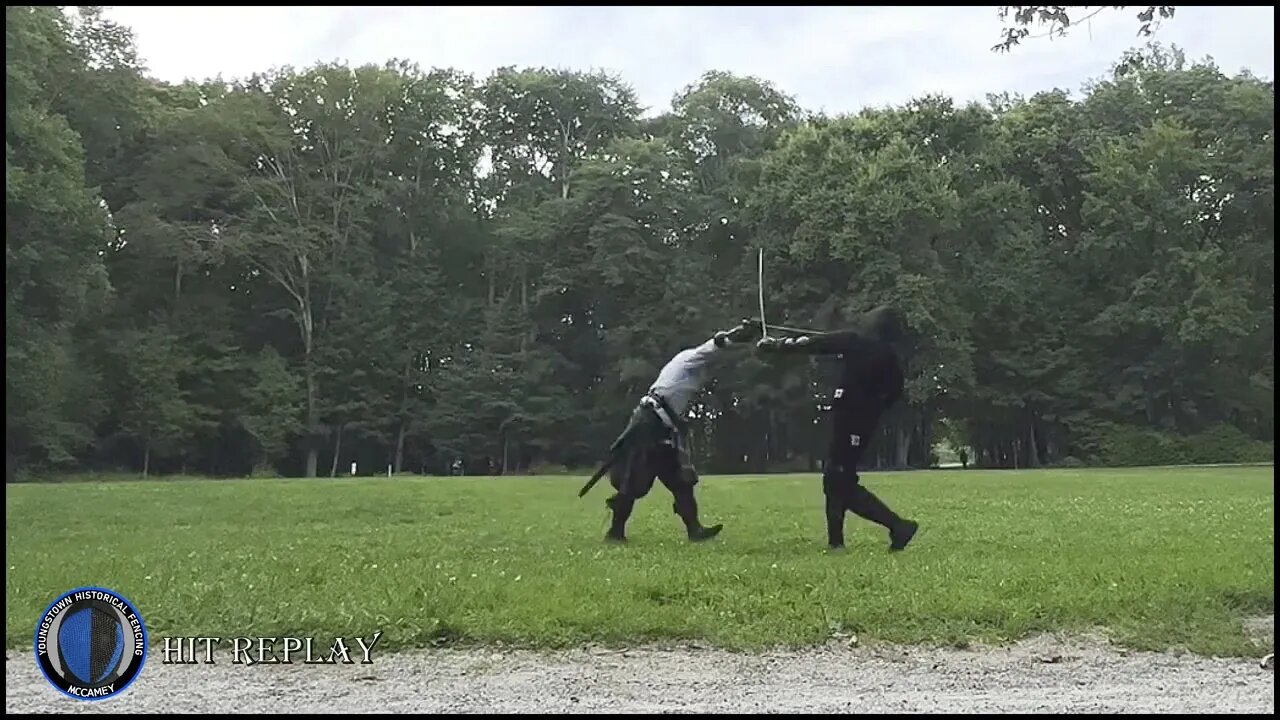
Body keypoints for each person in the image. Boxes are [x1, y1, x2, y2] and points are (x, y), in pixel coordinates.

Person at [579, 318, 762, 543]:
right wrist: (741, 334)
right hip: (649, 422)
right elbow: (718, 343)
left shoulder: (692, 370)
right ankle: (615, 532)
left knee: (681, 481)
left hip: (664, 427)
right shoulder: (690, 358)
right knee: (632, 481)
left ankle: (694, 530)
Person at [755, 305, 919, 552]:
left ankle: (898, 526)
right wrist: (873, 409)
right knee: (836, 476)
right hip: (857, 422)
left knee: (838, 479)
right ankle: (836, 543)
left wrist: (777, 346)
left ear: (877, 325)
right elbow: (894, 393)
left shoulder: (856, 342)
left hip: (853, 421)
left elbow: (815, 344)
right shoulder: (887, 355)